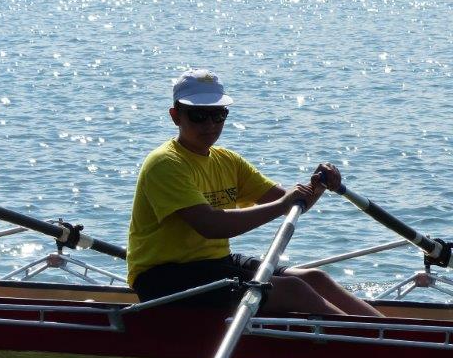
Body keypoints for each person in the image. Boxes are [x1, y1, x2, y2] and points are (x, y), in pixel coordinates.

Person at [126, 68, 382, 317]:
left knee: (315, 279)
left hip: (215, 264)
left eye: (218, 115)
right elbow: (211, 225)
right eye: (198, 115)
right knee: (294, 291)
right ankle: (369, 341)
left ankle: (386, 332)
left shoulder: (227, 160)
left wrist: (319, 185)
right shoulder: (165, 163)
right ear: (175, 116)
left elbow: (290, 202)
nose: (210, 124)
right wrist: (283, 204)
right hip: (163, 278)